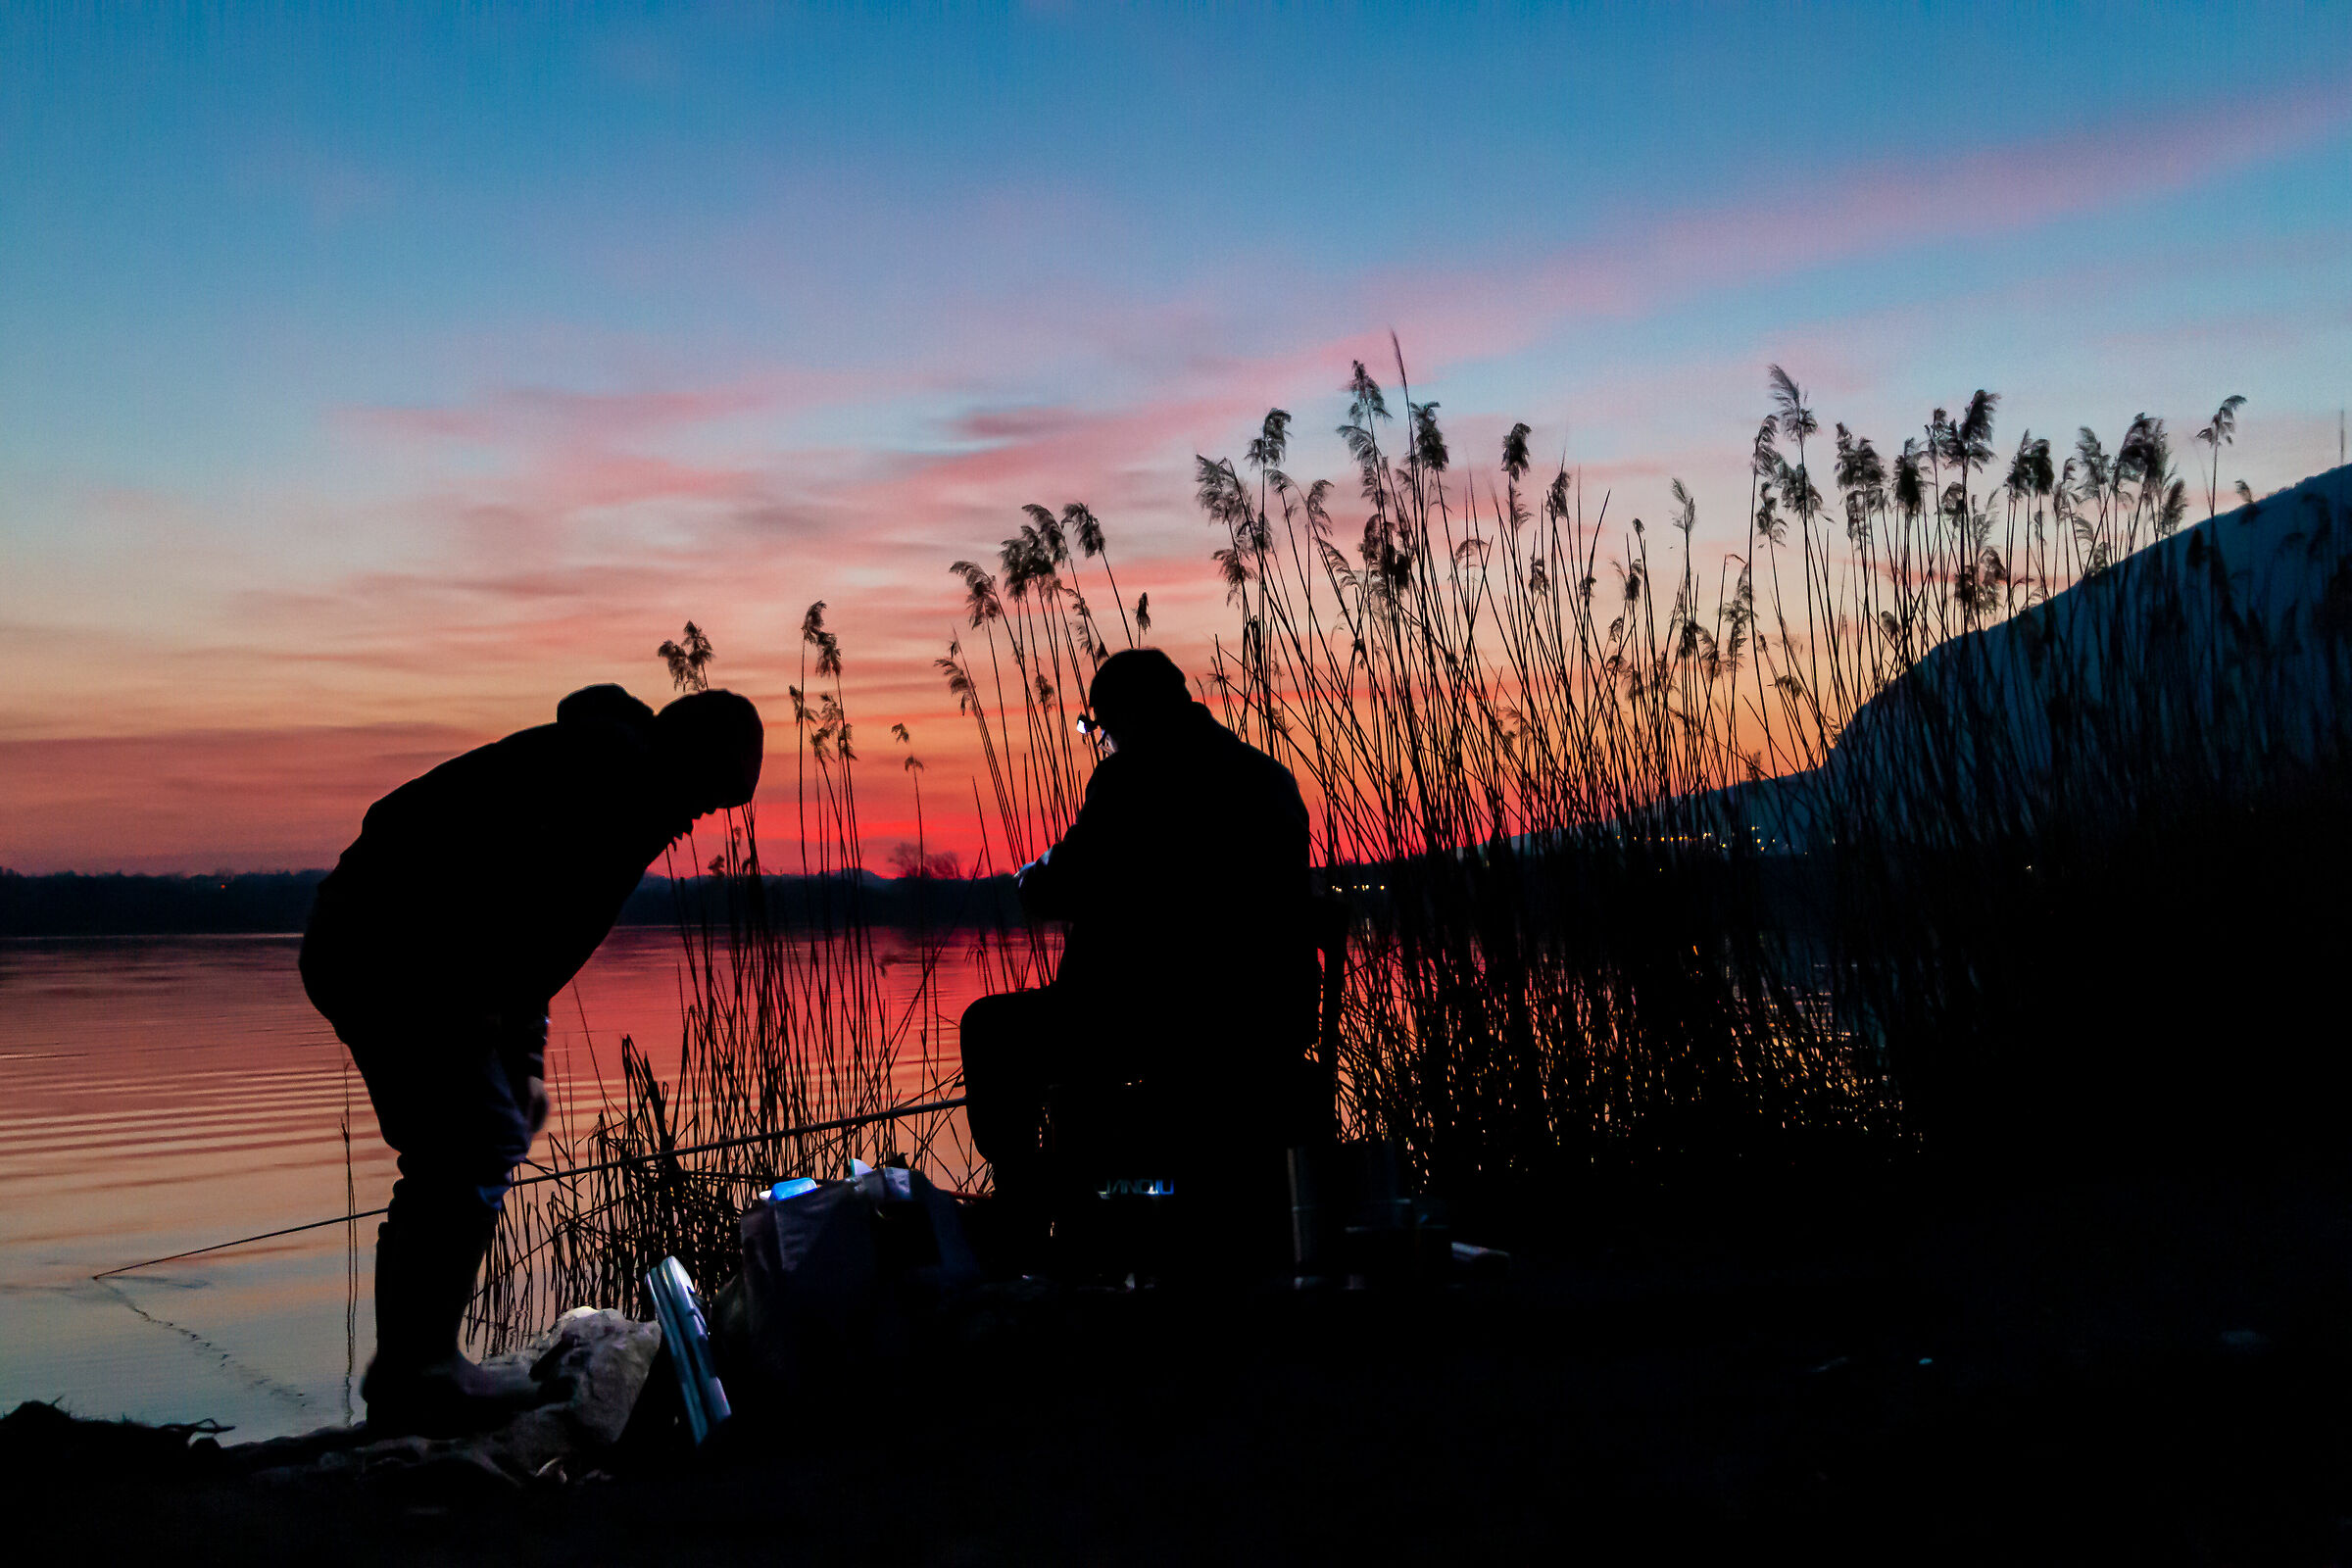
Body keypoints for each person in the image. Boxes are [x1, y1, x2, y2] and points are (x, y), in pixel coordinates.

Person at [301, 683, 762, 1434]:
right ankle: (421, 1372)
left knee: (463, 1144)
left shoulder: (625, 782)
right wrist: (481, 1007)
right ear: (692, 754)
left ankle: (410, 1372)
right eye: (714, 792)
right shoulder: (611, 776)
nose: (706, 815)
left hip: (369, 937)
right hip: (382, 941)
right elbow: (495, 889)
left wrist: (524, 1055)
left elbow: (541, 943)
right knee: (470, 1141)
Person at [958, 648, 1315, 1230]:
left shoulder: (1132, 778)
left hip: (1167, 1019)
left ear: (1127, 714)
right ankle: (1099, 1205)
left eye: (1099, 726)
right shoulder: (1266, 777)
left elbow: (1057, 888)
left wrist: (1034, 875)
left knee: (991, 1029)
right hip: (1274, 1017)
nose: (1103, 741)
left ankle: (1025, 1212)